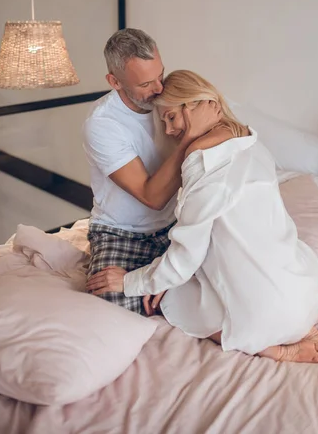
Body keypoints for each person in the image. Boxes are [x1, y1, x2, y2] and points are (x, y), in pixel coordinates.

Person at [87, 70, 318, 363]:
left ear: (193, 106)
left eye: (171, 117)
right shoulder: (249, 138)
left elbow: (186, 255)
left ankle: (274, 348)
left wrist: (130, 282)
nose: (169, 130)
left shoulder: (204, 163)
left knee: (168, 300)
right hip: (304, 292)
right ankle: (297, 328)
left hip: (263, 316)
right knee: (190, 279)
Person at [83, 30, 220, 314]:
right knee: (109, 300)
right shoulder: (102, 124)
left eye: (161, 74)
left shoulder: (171, 98)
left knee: (231, 278)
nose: (159, 88)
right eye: (146, 83)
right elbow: (152, 196)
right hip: (121, 233)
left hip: (174, 225)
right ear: (114, 81)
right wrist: (189, 137)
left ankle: (170, 290)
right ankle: (174, 293)